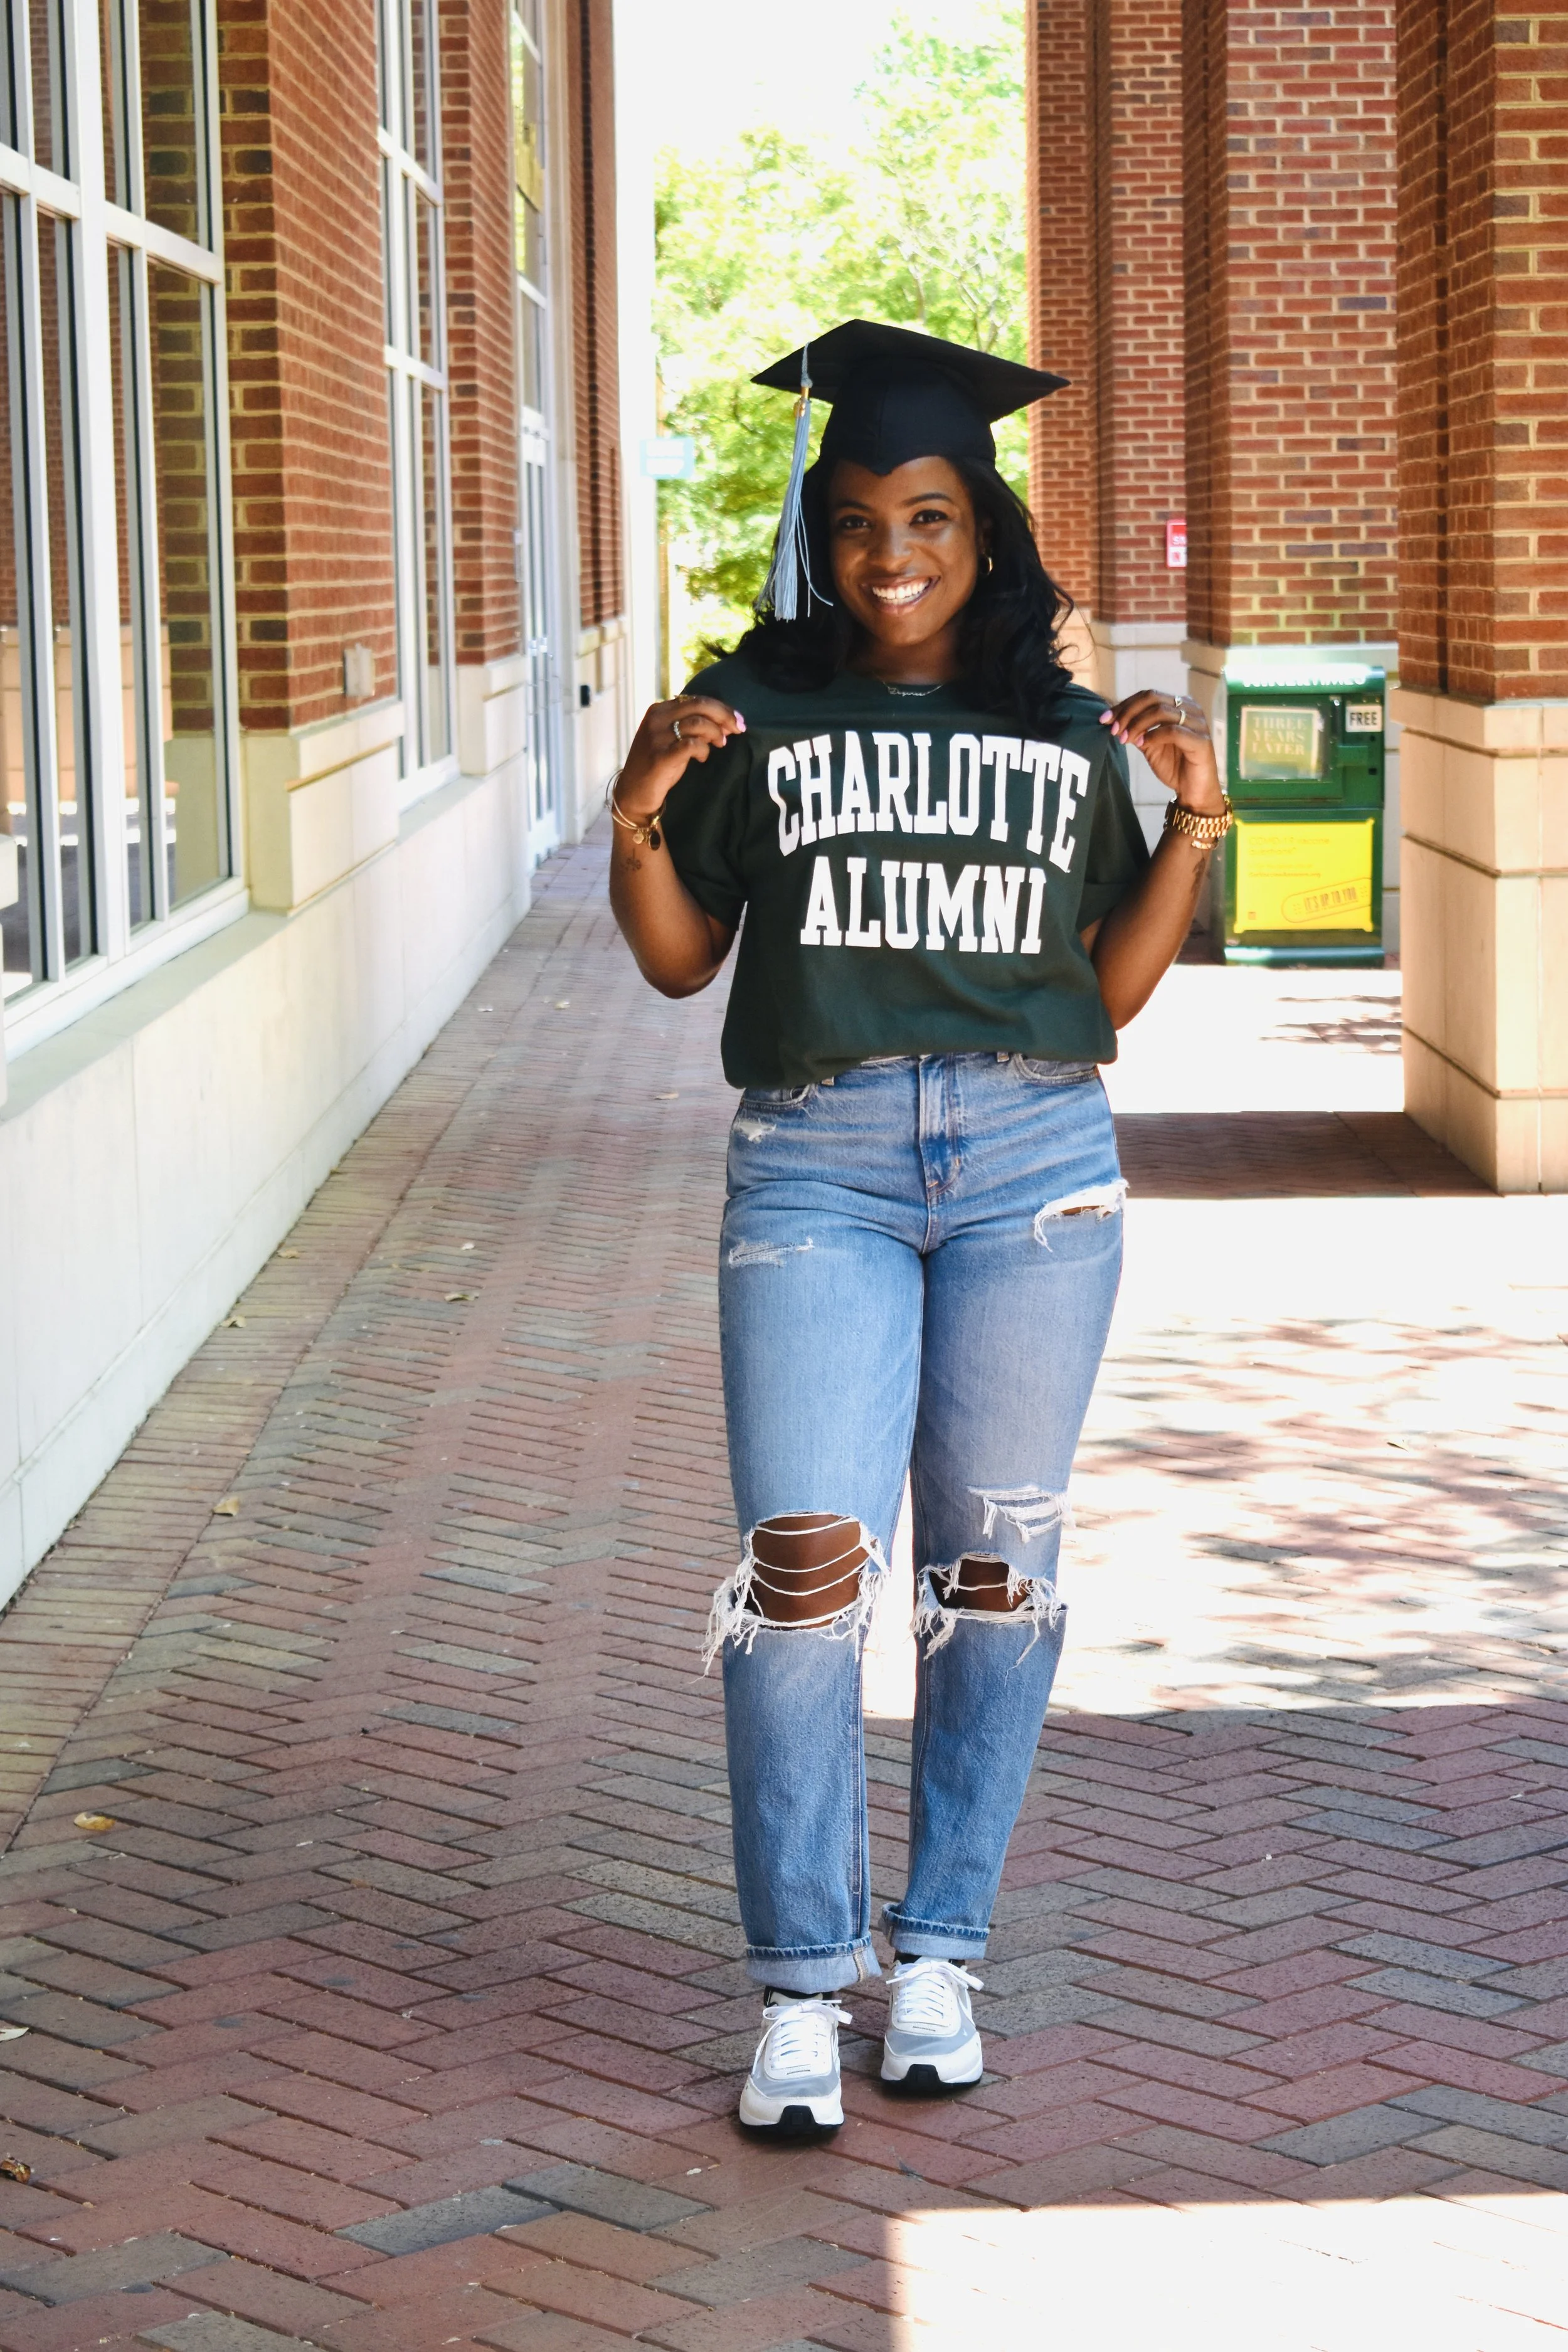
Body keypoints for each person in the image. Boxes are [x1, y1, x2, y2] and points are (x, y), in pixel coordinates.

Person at [608, 320, 1231, 2136]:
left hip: (1035, 1162)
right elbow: (672, 962)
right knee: (803, 1568)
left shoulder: (1063, 724)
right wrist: (640, 811)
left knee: (989, 1575)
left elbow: (1104, 1002)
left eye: (934, 513)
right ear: (823, 523)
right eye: (866, 514)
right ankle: (803, 1984)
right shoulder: (751, 709)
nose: (896, 552)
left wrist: (1186, 825)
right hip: (816, 1163)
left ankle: (939, 1950)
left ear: (984, 525)